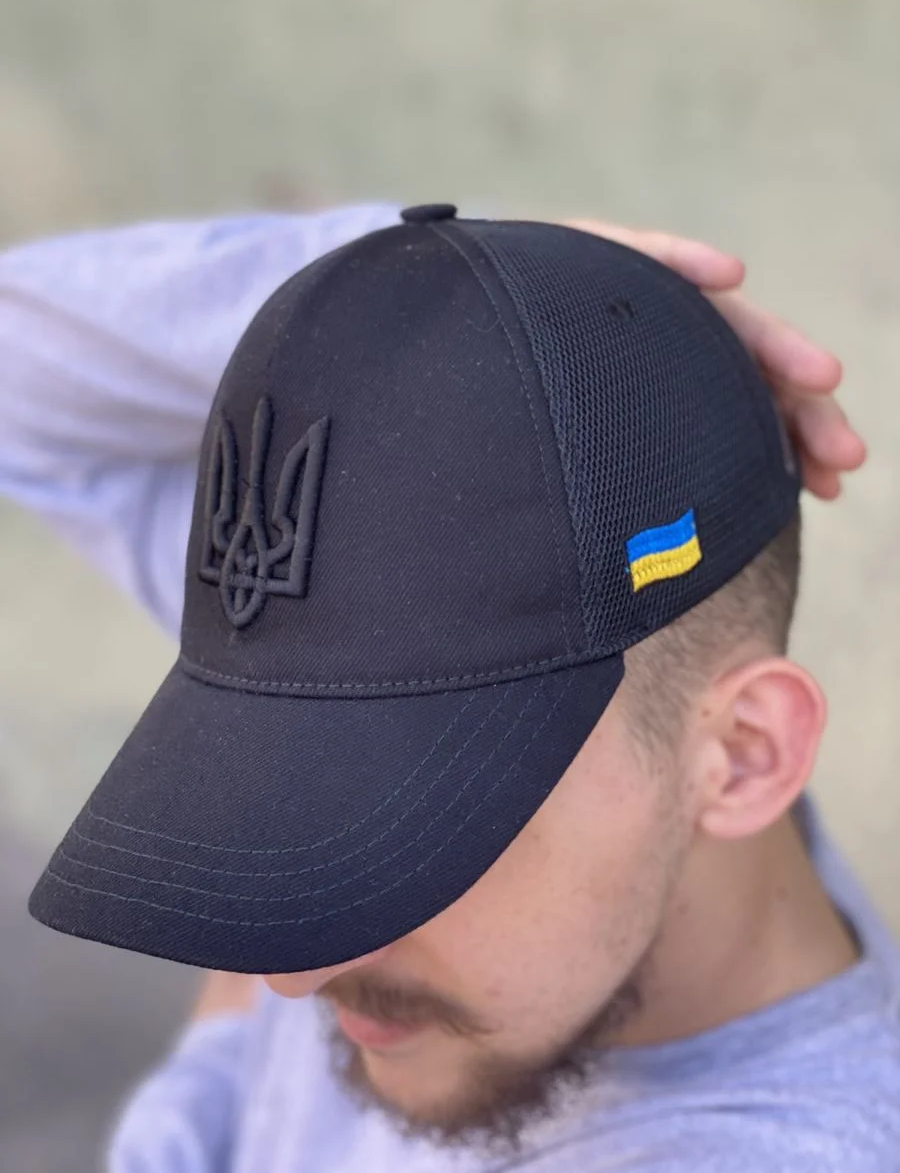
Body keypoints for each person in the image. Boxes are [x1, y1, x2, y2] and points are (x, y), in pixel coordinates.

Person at [0, 202, 895, 1173]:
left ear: (748, 754)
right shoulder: (395, 621)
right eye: (301, 795)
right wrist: (431, 298)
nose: (287, 975)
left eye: (424, 831)